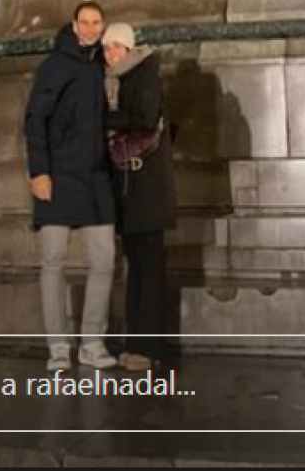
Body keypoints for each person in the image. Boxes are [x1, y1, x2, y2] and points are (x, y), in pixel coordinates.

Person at [24, 0, 117, 371]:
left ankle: (92, 344)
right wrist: (39, 171)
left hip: (95, 177)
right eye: (85, 22)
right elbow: (34, 120)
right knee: (53, 262)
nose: (92, 28)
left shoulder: (101, 66)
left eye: (97, 22)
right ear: (74, 25)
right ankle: (58, 348)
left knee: (104, 259)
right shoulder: (55, 66)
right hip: (58, 175)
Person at [102, 23, 176, 371]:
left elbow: (145, 118)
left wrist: (103, 118)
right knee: (137, 268)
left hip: (147, 187)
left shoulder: (144, 75)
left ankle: (150, 348)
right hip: (129, 186)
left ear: (129, 48)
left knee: (149, 267)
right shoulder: (118, 80)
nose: (110, 54)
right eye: (106, 48)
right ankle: (136, 344)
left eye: (116, 47)